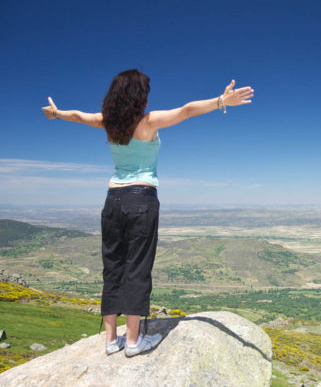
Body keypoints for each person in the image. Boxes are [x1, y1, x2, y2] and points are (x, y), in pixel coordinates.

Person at [42, 69, 254, 357]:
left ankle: (110, 340)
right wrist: (221, 101)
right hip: (141, 199)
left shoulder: (108, 123)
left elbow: (79, 116)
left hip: (113, 199)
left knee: (113, 265)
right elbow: (187, 110)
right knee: (137, 266)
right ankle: (132, 342)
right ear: (139, 96)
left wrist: (56, 114)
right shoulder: (148, 121)